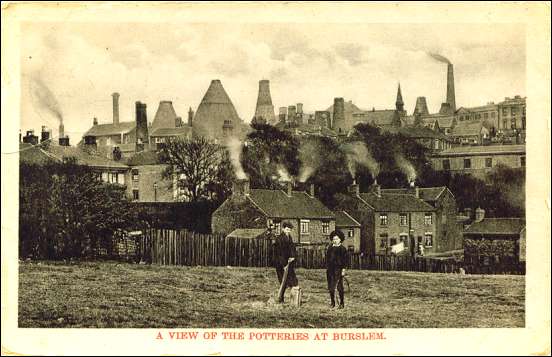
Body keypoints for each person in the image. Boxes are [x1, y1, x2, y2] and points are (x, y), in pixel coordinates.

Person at [273, 221, 298, 303]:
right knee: (283, 282)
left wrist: (293, 256)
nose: (288, 231)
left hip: (289, 263)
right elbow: (279, 253)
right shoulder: (279, 239)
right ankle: (280, 299)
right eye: (287, 229)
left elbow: (292, 248)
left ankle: (295, 300)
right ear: (283, 229)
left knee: (294, 281)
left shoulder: (289, 238)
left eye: (289, 230)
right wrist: (284, 264)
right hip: (280, 263)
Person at [326, 230, 348, 309]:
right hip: (330, 270)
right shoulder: (330, 248)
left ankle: (341, 303)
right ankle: (333, 302)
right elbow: (327, 259)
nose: (335, 240)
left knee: (339, 287)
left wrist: (343, 270)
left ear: (340, 239)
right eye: (334, 239)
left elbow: (345, 261)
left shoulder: (343, 249)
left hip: (338, 270)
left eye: (337, 239)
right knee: (331, 287)